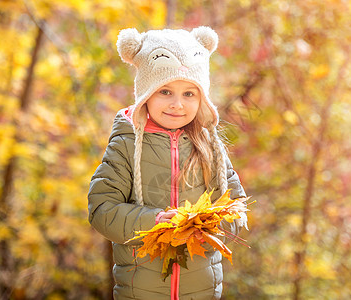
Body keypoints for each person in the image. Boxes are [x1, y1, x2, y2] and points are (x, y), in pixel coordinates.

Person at [87, 27, 248, 300]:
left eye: (189, 94)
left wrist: (208, 229)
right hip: (140, 291)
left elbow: (236, 206)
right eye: (165, 91)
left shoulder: (210, 146)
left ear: (202, 98)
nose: (177, 104)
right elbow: (102, 210)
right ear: (146, 93)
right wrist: (156, 222)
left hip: (201, 290)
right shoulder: (126, 144)